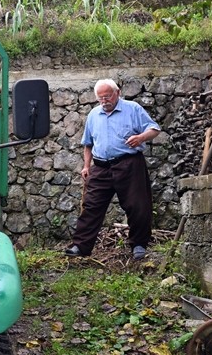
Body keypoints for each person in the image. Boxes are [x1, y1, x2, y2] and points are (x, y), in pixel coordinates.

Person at [64, 79, 161, 261]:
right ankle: (81, 246)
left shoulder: (132, 109)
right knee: (91, 205)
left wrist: (140, 137)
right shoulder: (93, 115)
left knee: (138, 205)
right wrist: (86, 166)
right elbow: (88, 144)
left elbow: (154, 129)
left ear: (117, 92)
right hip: (100, 167)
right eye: (100, 98)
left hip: (129, 164)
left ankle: (139, 244)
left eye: (107, 96)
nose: (104, 101)